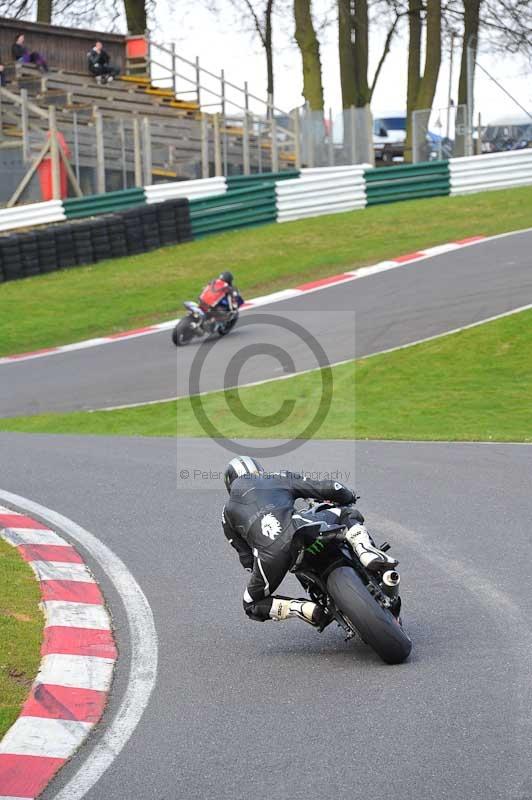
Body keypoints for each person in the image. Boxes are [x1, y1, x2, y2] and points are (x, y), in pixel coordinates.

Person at [222, 457, 397, 627]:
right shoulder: (276, 477)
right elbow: (327, 488)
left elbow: (246, 558)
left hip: (269, 557)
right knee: (344, 513)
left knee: (251, 603)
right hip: (299, 529)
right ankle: (365, 550)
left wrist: (264, 568)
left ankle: (302, 608)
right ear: (259, 471)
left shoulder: (226, 514)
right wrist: (348, 495)